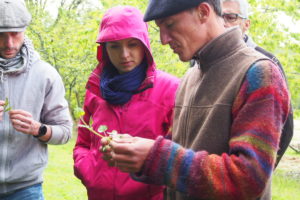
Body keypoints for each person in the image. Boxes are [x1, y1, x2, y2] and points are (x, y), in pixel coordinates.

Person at [101, 0, 290, 200]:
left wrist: (156, 157)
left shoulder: (259, 73)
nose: (163, 39)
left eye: (170, 25)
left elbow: (249, 179)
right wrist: (136, 152)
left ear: (203, 12)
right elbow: (179, 148)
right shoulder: (190, 77)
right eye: (159, 29)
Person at [73, 5, 179, 200]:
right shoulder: (96, 90)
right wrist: (87, 170)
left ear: (145, 45)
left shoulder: (171, 89)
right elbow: (83, 143)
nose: (124, 55)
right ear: (104, 50)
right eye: (114, 46)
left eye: (132, 44)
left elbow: (177, 152)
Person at [0, 0, 73, 199]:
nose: (9, 43)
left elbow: (65, 132)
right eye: (1, 35)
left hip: (26, 190)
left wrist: (38, 129)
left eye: (15, 33)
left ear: (25, 30)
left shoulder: (45, 74)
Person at [222, 0, 294, 167]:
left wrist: (264, 169)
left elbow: (286, 126)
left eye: (231, 17)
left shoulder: (265, 64)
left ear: (246, 24)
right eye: (220, 17)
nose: (224, 23)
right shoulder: (201, 62)